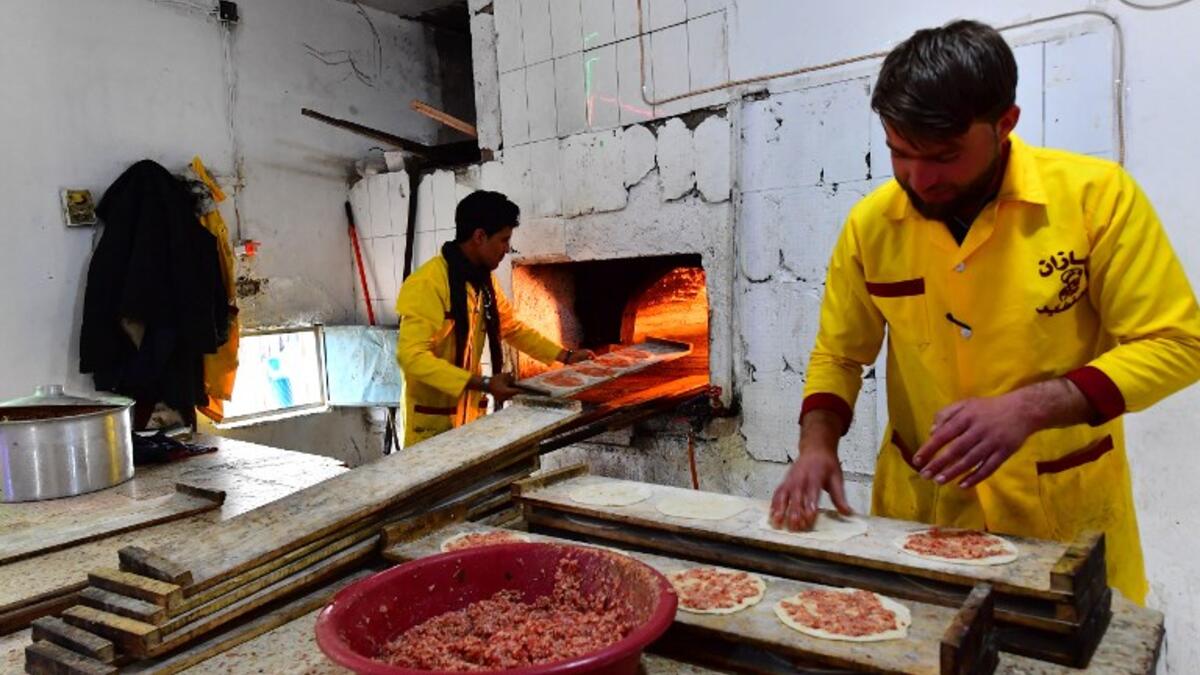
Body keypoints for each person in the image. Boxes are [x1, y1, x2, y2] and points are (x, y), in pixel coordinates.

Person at [768, 19, 1200, 604]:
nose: (917, 179)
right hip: (922, 516)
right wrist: (817, 445)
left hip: (1061, 514)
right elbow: (840, 353)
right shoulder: (872, 226)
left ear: (1005, 124)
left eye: (943, 156)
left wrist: (1031, 407)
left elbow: (1177, 343)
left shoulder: (1096, 199)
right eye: (898, 152)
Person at [395, 190, 593, 446]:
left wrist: (565, 356)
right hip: (431, 427)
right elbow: (412, 358)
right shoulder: (427, 284)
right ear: (480, 236)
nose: (507, 249)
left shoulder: (483, 282)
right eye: (503, 239)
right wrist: (485, 383)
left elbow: (510, 327)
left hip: (468, 420)